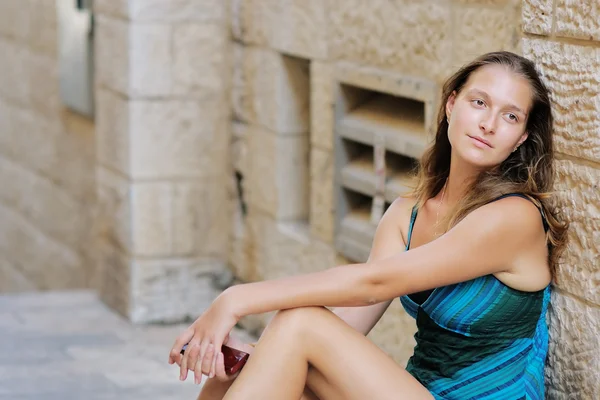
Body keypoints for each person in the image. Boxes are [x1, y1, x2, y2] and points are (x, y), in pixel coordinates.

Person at [168, 51, 569, 399]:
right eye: (479, 102)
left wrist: (236, 298)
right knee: (238, 374)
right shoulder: (405, 215)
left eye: (510, 116)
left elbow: (372, 284)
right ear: (451, 105)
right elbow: (346, 322)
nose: (489, 123)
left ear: (520, 138)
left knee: (299, 321)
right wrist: (254, 352)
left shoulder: (515, 217)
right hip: (417, 389)